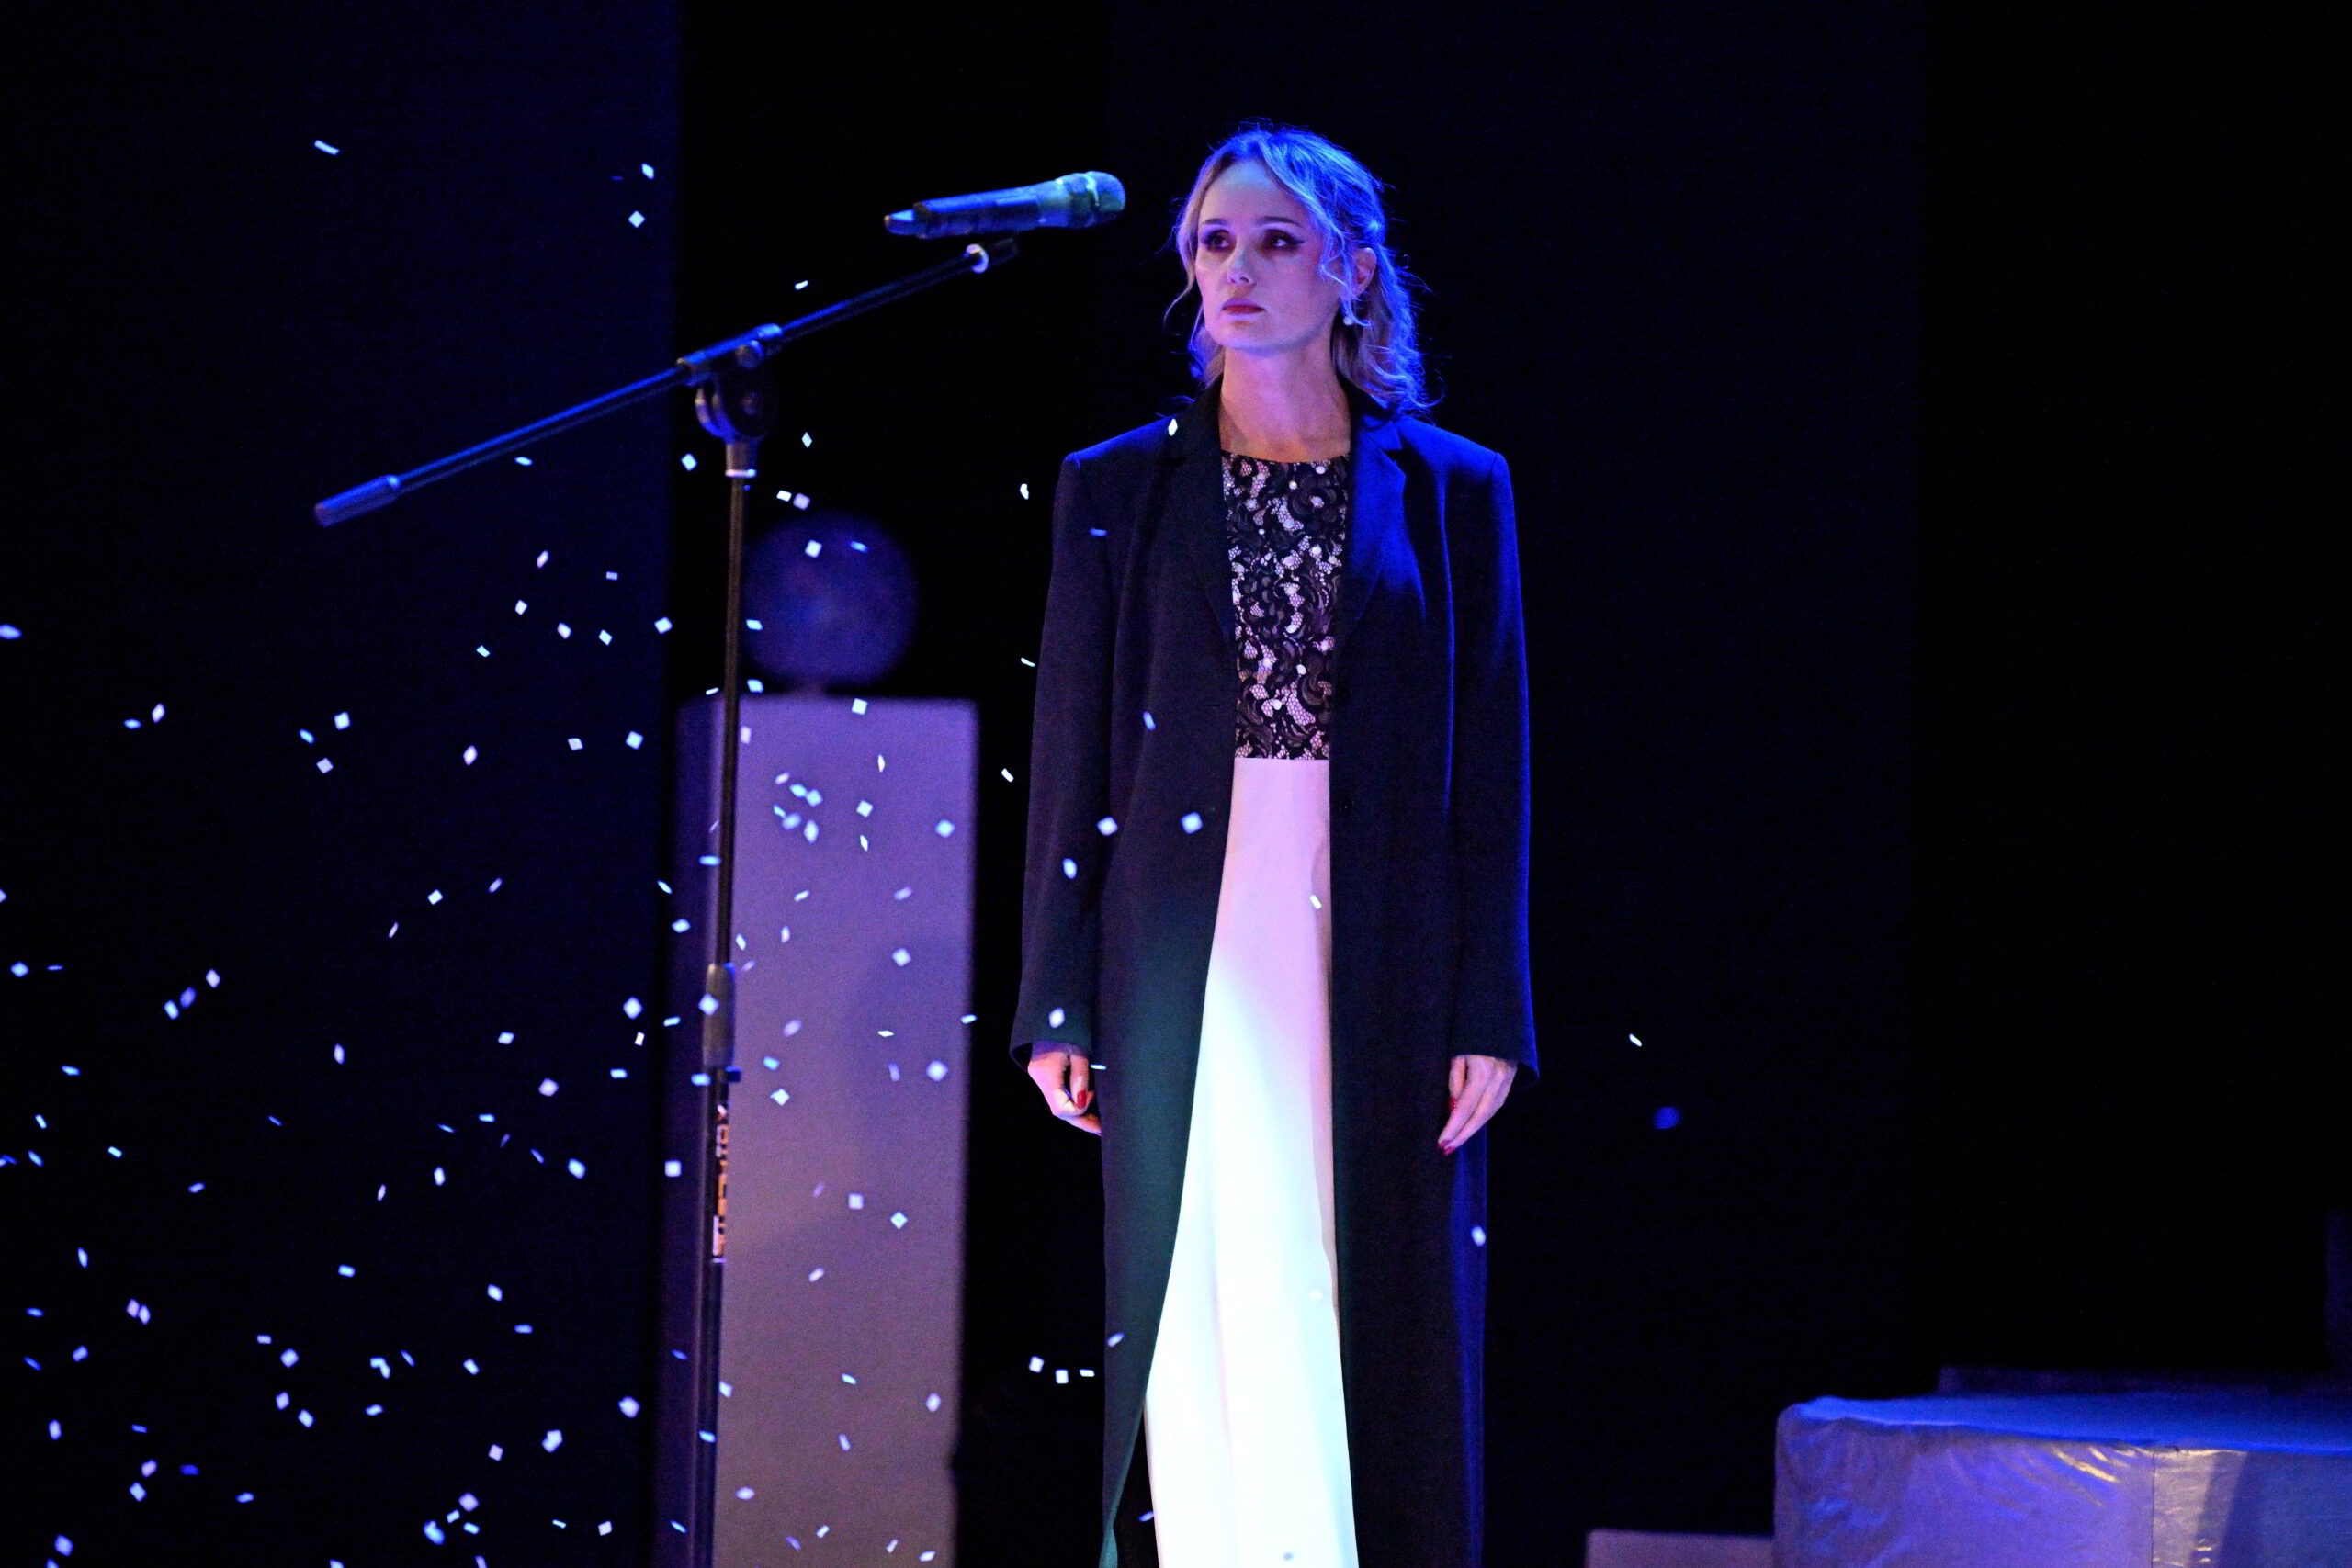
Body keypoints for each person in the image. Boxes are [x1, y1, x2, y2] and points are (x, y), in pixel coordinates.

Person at [1011, 121, 1537, 1568]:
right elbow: (1073, 748)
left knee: (1348, 1264)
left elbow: (1492, 768)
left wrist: (1491, 1004)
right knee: (1207, 1267)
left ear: (1352, 270)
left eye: (1277, 241)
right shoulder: (1122, 485)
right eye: (1215, 243)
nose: (1236, 270)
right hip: (1185, 912)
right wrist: (1054, 998)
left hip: (1379, 919)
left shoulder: (1455, 487)